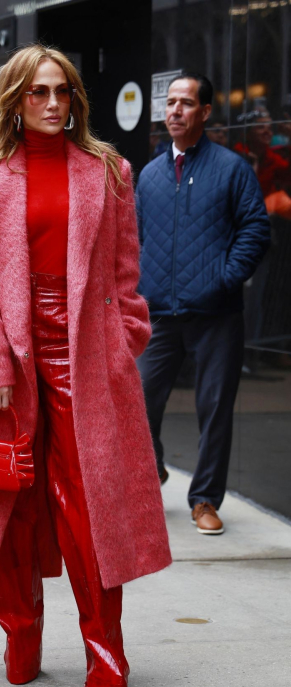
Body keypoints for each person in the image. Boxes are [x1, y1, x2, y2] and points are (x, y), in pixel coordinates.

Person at [0, 44, 172, 687]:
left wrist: (124, 339)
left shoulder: (108, 169)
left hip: (89, 356)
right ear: (15, 99)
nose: (54, 103)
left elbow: (125, 272)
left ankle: (105, 650)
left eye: (63, 91)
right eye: (39, 92)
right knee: (10, 505)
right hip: (11, 353)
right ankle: (21, 633)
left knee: (91, 509)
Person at [136, 73, 270, 535]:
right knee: (138, 401)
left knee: (214, 408)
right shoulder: (149, 175)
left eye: (186, 103)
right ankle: (151, 467)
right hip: (158, 313)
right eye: (170, 103)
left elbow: (256, 229)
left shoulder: (232, 169)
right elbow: (135, 240)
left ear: (205, 112)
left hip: (216, 313)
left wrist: (223, 279)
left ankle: (205, 499)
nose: (175, 111)